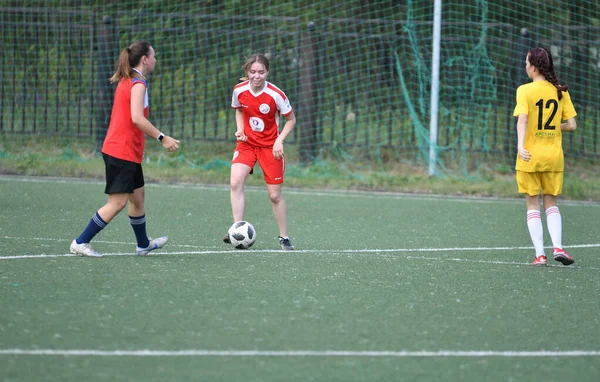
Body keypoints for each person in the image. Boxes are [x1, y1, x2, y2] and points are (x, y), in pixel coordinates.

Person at [70, 41, 180, 257]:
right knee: (118, 202)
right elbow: (137, 119)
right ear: (145, 59)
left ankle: (143, 244)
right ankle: (80, 242)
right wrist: (162, 137)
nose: (156, 60)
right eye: (154, 56)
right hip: (120, 152)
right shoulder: (137, 84)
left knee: (137, 198)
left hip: (126, 151)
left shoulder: (128, 80)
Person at [223, 53, 296, 250]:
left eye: (261, 72)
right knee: (235, 182)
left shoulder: (276, 95)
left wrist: (279, 141)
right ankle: (236, 229)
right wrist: (240, 130)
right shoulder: (239, 90)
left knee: (274, 195)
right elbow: (239, 110)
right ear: (247, 72)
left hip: (270, 147)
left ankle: (284, 237)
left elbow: (291, 120)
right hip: (247, 144)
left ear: (267, 72)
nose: (257, 76)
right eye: (253, 72)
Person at [513, 47, 577, 266]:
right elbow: (572, 125)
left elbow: (522, 121)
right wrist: (551, 129)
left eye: (526, 63)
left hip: (529, 157)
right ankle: (558, 247)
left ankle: (540, 255)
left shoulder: (524, 90)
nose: (525, 66)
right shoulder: (560, 91)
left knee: (533, 205)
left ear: (534, 67)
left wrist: (521, 146)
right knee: (552, 203)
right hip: (553, 157)